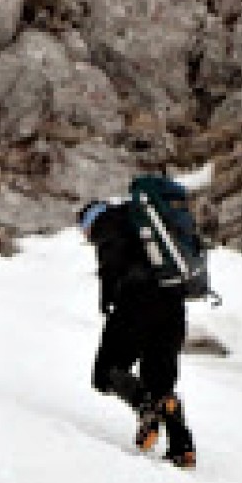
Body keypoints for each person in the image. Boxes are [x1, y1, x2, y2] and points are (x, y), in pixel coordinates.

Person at [78, 197, 197, 468]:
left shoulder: (108, 224)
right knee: (159, 381)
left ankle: (145, 408)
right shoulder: (146, 224)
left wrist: (107, 300)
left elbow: (112, 269)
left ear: (89, 221)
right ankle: (182, 447)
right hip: (174, 305)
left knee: (105, 371)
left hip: (137, 303)